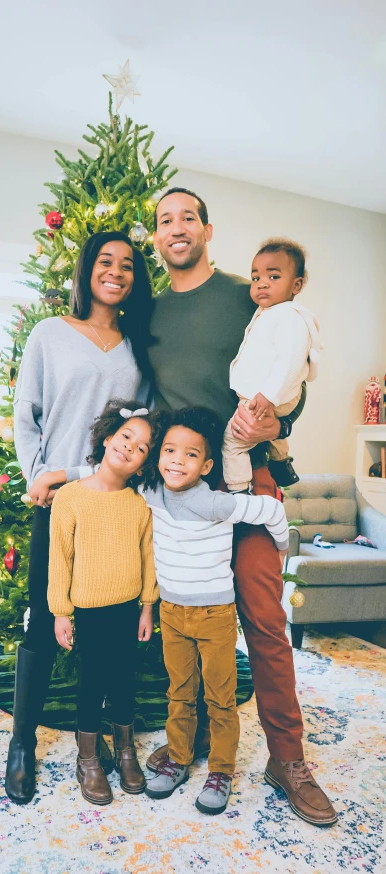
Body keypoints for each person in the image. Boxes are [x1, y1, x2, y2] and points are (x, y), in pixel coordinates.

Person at [146, 187, 338, 827]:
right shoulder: (147, 311)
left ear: (206, 228)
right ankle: (191, 742)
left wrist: (274, 427)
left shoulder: (247, 294)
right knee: (183, 616)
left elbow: (295, 382)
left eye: (188, 218)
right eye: (165, 220)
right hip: (181, 491)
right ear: (156, 237)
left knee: (263, 620)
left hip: (248, 478)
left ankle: (288, 759)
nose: (178, 228)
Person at [5, 231, 154, 805]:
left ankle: (112, 742)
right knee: (43, 618)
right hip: (60, 503)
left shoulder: (138, 348)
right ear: (87, 269)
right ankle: (22, 742)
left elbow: (138, 433)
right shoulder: (50, 335)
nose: (116, 272)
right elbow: (27, 415)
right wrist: (37, 476)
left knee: (113, 629)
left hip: (115, 505)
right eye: (105, 261)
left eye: (127, 266)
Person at [142, 407, 289, 816]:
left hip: (214, 617)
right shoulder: (150, 492)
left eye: (190, 454)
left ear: (207, 465)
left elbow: (273, 511)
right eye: (169, 450)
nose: (176, 459)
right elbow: (101, 474)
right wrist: (60, 477)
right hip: (171, 614)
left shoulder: (218, 503)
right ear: (158, 456)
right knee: (179, 693)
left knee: (220, 699)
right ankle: (178, 758)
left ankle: (221, 770)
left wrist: (281, 549)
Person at [47, 400, 160, 805]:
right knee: (92, 682)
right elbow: (60, 557)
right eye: (126, 436)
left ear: (145, 464)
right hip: (89, 613)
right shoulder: (71, 498)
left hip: (128, 611)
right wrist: (61, 611)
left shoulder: (138, 505)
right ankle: (89, 757)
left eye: (142, 447)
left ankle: (126, 750)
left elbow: (148, 558)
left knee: (125, 681)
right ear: (108, 437)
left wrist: (148, 607)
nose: (130, 447)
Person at [222, 238, 322, 492]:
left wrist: (269, 395)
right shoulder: (269, 312)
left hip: (266, 396)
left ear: (296, 285)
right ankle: (280, 464)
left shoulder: (290, 317)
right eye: (255, 278)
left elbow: (290, 362)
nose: (262, 283)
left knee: (233, 442)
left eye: (274, 276)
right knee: (269, 431)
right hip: (268, 396)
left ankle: (239, 490)